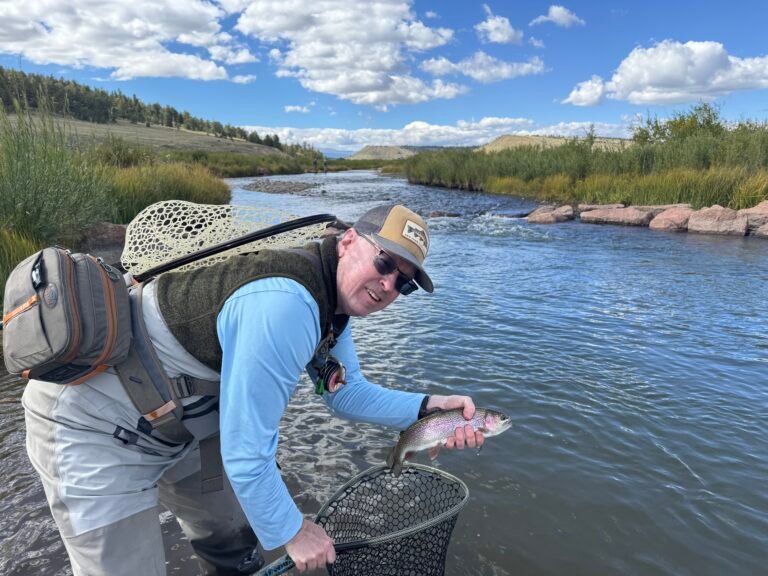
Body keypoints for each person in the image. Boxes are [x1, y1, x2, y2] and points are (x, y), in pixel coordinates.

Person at [21, 203, 485, 575]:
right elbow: (247, 454)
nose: (388, 284)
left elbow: (345, 393)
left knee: (231, 540)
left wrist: (430, 407)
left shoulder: (331, 303)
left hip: (180, 423)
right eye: (384, 262)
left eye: (403, 284)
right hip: (93, 425)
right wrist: (292, 530)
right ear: (347, 242)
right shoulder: (286, 305)